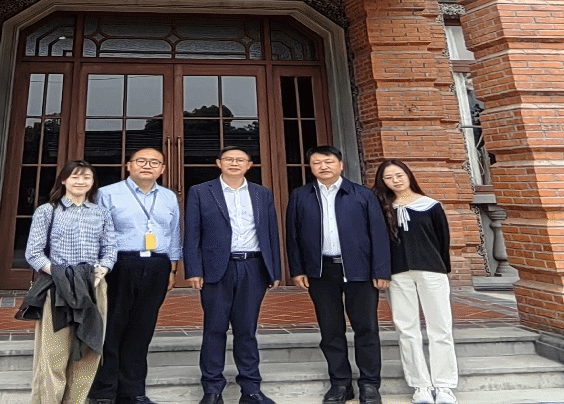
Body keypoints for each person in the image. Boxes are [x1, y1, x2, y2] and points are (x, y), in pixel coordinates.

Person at [286, 146, 391, 404]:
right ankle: (340, 383)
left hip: (359, 270)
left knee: (366, 328)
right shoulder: (300, 196)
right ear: (310, 167)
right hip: (321, 271)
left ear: (340, 165)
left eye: (329, 161)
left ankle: (369, 384)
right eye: (317, 162)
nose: (323, 166)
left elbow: (378, 234)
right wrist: (298, 269)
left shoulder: (363, 194)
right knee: (330, 329)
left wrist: (380, 270)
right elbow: (293, 235)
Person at [184, 145, 281, 404]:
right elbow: (192, 233)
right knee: (214, 329)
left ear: (249, 165)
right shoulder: (200, 191)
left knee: (246, 330)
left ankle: (251, 389)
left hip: (253, 266)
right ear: (219, 163)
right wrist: (194, 269)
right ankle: (212, 389)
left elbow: (271, 233)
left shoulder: (262, 193)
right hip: (217, 268)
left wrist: (274, 270)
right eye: (229, 159)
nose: (234, 163)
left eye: (240, 160)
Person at [89, 147, 182, 404]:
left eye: (154, 162)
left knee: (142, 328)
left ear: (162, 169)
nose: (147, 165)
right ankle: (104, 391)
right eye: (141, 161)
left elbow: (174, 233)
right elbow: (98, 232)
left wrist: (173, 268)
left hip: (157, 265)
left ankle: (133, 391)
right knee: (112, 326)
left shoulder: (168, 197)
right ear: (128, 166)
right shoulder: (107, 194)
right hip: (119, 263)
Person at [21, 160, 118, 404]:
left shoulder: (101, 213)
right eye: (75, 176)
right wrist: (60, 274)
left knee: (89, 349)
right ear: (64, 180)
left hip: (93, 285)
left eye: (86, 177)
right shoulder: (48, 211)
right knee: (55, 352)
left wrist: (101, 271)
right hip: (58, 286)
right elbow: (34, 253)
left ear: (92, 182)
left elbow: (110, 249)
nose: (80, 181)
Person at [372, 160, 458, 404]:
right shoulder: (382, 208)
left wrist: (443, 269)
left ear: (408, 175)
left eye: (399, 175)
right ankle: (420, 385)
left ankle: (444, 385)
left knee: (440, 327)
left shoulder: (431, 205)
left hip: (432, 272)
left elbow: (443, 240)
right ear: (383, 182)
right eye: (389, 177)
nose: (395, 180)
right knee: (407, 329)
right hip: (398, 274)